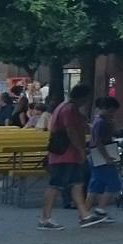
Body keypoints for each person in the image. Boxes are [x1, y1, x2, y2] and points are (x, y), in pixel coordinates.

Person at [39, 85, 106, 230]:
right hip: (64, 154)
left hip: (68, 154)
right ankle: (45, 218)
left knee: (77, 184)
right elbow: (71, 131)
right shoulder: (69, 109)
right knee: (56, 184)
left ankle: (84, 215)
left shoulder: (65, 107)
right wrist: (81, 149)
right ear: (83, 97)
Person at [86, 96, 123, 216]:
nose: (112, 114)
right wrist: (107, 157)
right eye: (111, 111)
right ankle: (100, 208)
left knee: (96, 184)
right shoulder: (101, 123)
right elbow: (98, 142)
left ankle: (85, 211)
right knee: (114, 183)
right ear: (104, 109)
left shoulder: (99, 121)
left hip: (95, 155)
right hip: (103, 154)